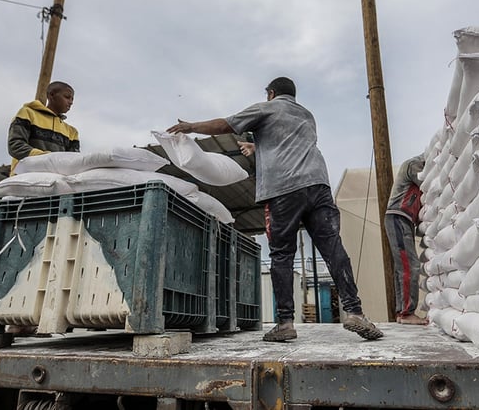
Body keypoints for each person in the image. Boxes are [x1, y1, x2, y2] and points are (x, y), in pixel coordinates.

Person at [167, 76, 383, 342]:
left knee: (281, 254)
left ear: (271, 93)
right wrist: (257, 147)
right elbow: (288, 145)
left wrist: (191, 126)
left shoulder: (267, 108)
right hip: (318, 185)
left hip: (284, 189)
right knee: (333, 247)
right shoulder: (307, 116)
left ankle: (285, 323)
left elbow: (227, 124)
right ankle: (354, 311)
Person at [384, 155, 428, 325]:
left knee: (401, 268)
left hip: (401, 219)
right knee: (410, 265)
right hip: (398, 218)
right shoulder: (413, 165)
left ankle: (401, 311)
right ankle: (407, 312)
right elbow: (427, 184)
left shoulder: (414, 164)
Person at [7, 81, 80, 175]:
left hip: (57, 181)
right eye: (67, 97)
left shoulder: (72, 132)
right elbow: (15, 146)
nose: (70, 102)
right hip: (25, 177)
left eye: (72, 99)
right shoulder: (28, 113)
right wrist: (47, 158)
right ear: (51, 95)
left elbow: (73, 162)